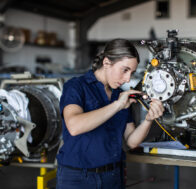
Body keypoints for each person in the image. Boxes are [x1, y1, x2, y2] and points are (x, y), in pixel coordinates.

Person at [56, 38, 164, 189]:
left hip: (113, 176)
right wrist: (117, 106)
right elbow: (74, 126)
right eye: (124, 70)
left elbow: (132, 141)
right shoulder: (76, 87)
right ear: (106, 63)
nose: (127, 79)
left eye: (131, 73)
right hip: (78, 177)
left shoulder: (120, 95)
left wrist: (148, 120)